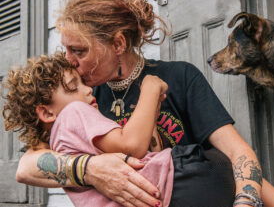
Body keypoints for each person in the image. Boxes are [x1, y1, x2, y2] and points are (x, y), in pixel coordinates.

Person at [12, 0, 274, 207]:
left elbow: (237, 154)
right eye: (66, 50)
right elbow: (26, 167)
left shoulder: (178, 77)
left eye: (79, 51)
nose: (70, 61)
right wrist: (89, 168)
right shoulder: (81, 98)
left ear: (118, 43)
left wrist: (245, 201)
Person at [3, 53, 238, 207]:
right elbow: (132, 146)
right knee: (219, 161)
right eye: (75, 87)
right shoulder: (75, 113)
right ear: (45, 113)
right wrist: (150, 88)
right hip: (179, 182)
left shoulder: (59, 144)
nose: (88, 91)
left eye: (84, 83)